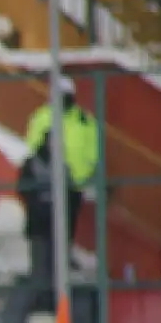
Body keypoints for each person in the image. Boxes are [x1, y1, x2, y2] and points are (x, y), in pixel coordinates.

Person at [21, 76, 99, 287]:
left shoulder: (84, 120)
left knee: (67, 226)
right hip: (46, 183)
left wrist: (82, 174)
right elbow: (33, 147)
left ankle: (63, 263)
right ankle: (42, 271)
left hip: (73, 184)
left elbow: (93, 151)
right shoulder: (42, 117)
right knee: (43, 229)